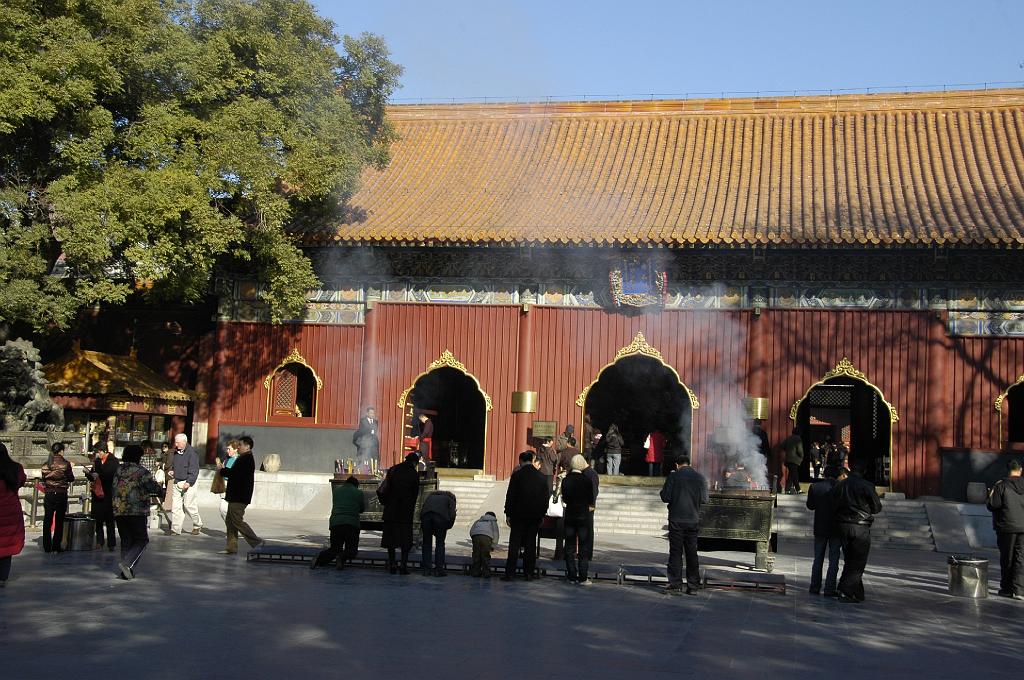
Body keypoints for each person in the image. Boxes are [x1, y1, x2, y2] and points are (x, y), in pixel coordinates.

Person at [831, 460, 882, 603]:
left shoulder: (840, 486)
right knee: (858, 562)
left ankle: (857, 592)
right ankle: (846, 591)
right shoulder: (867, 486)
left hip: (843, 525)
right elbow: (877, 507)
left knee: (850, 560)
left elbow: (833, 504)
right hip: (860, 526)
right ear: (864, 472)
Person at [660, 454, 708, 595]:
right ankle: (693, 585)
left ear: (677, 464)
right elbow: (705, 499)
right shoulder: (700, 477)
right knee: (692, 552)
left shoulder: (674, 477)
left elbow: (665, 497)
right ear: (689, 463)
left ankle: (675, 584)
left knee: (675, 552)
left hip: (676, 519)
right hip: (693, 519)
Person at [112, 444, 160, 580]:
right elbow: (152, 487)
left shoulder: (118, 470)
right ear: (138, 457)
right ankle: (127, 564)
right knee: (141, 540)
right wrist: (162, 491)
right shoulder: (141, 471)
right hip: (136, 510)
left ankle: (126, 571)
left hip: (119, 510)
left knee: (126, 540)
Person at [502, 451, 550, 581]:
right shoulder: (541, 477)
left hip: (518, 515)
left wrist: (508, 513)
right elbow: (546, 498)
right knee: (530, 545)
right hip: (534, 516)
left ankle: (510, 573)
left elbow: (510, 495)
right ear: (533, 460)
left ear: (520, 461)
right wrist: (542, 514)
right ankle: (529, 573)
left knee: (514, 544)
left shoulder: (517, 475)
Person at [216, 435, 263, 554]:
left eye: (240, 445)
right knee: (230, 520)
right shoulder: (243, 458)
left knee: (236, 520)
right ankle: (231, 547)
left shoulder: (246, 459)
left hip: (240, 496)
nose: (239, 447)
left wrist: (222, 470)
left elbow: (235, 474)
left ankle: (257, 542)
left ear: (247, 446)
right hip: (236, 495)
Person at [986, 458, 1024, 600]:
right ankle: (1019, 590)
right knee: (1021, 558)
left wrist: (989, 495)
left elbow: (992, 505)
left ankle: (1007, 589)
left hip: (1006, 527)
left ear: (1008, 471)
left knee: (1007, 557)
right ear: (1020, 470)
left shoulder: (1001, 485)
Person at [379, 452, 420, 574]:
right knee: (405, 541)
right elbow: (415, 494)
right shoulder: (414, 474)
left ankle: (392, 564)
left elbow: (385, 488)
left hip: (391, 510)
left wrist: (387, 502)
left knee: (391, 540)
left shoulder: (393, 469)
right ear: (415, 462)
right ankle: (403, 566)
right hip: (405, 512)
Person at [806, 465, 844, 596]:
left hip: (820, 527)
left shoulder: (815, 487)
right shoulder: (842, 488)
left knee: (818, 559)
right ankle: (829, 588)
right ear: (838, 475)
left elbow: (810, 506)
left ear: (824, 474)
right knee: (834, 560)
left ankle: (814, 587)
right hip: (836, 528)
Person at [314, 476, 366, 569]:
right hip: (352, 524)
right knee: (351, 550)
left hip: (336, 523)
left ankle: (319, 559)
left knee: (335, 548)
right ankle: (341, 558)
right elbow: (362, 508)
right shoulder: (358, 493)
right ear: (356, 485)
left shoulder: (337, 491)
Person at [561, 454, 596, 585]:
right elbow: (591, 499)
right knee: (583, 547)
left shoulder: (566, 480)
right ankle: (583, 576)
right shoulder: (586, 480)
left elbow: (564, 498)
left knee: (569, 546)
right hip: (583, 516)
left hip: (570, 514)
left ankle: (571, 575)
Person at [0, 443, 27, 587]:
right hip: (10, 512)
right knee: (6, 545)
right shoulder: (15, 468)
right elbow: (22, 480)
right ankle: (2, 577)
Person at [40, 442, 75, 553]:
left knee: (47, 519)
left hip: (49, 494)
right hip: (61, 493)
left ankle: (46, 546)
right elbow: (71, 478)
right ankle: (56, 546)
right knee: (59, 520)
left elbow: (44, 478)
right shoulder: (65, 464)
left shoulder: (46, 464)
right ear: (61, 451)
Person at [87, 440, 119, 550]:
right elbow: (92, 474)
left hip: (108, 493)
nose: (97, 454)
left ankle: (111, 543)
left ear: (104, 451)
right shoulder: (97, 461)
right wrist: (90, 475)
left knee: (109, 520)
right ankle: (99, 541)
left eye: (99, 451)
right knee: (98, 519)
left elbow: (111, 475)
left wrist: (99, 475)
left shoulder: (113, 461)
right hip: (97, 493)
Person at [169, 433, 203, 536]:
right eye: (175, 442)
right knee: (176, 507)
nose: (176, 444)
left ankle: (197, 524)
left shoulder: (192, 453)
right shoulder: (175, 452)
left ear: (184, 442)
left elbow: (194, 469)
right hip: (177, 481)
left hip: (188, 482)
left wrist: (189, 482)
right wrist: (172, 471)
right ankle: (175, 529)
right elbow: (174, 465)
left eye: (178, 442)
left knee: (189, 506)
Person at [420, 489, 457, 576]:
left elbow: (422, 510)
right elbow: (452, 515)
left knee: (426, 544)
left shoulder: (430, 497)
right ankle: (439, 569)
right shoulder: (450, 499)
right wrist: (447, 526)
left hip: (426, 518)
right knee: (440, 544)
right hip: (441, 519)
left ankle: (426, 569)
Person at [469, 511, 499, 577]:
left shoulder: (478, 521)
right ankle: (486, 573)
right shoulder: (493, 521)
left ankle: (475, 572)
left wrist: (474, 537)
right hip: (487, 537)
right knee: (485, 555)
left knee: (476, 554)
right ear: (494, 516)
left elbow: (471, 530)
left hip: (476, 535)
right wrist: (493, 545)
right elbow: (496, 533)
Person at [782, 428, 804, 494]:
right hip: (794, 460)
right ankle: (798, 490)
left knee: (791, 475)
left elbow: (782, 446)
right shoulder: (798, 439)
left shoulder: (789, 438)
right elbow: (800, 450)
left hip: (788, 459)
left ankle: (787, 490)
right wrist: (802, 456)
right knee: (794, 475)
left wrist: (788, 451)